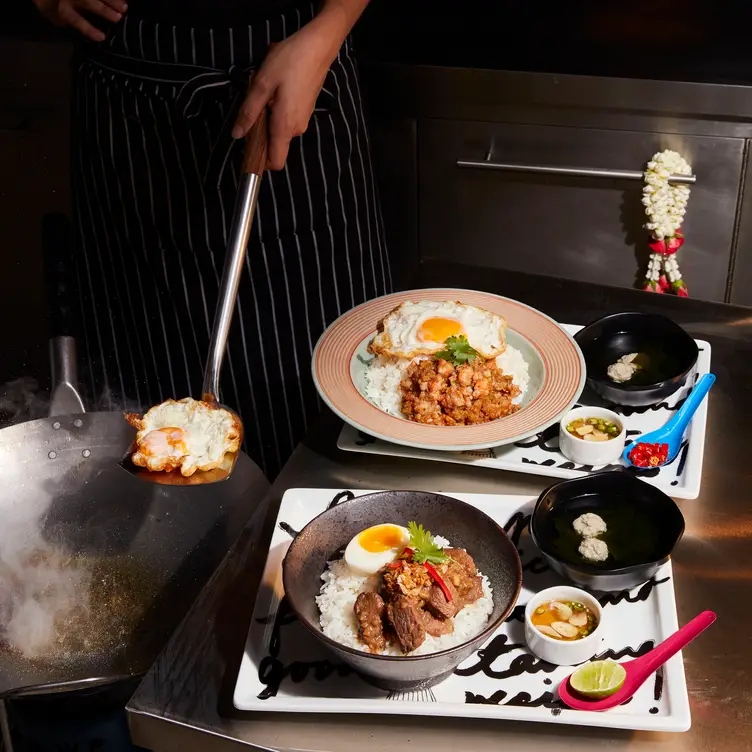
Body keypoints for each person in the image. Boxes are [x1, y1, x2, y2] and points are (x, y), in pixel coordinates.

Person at [32, 0, 392, 478]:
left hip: (294, 64)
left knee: (323, 408)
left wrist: (330, 30)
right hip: (123, 97)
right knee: (135, 402)